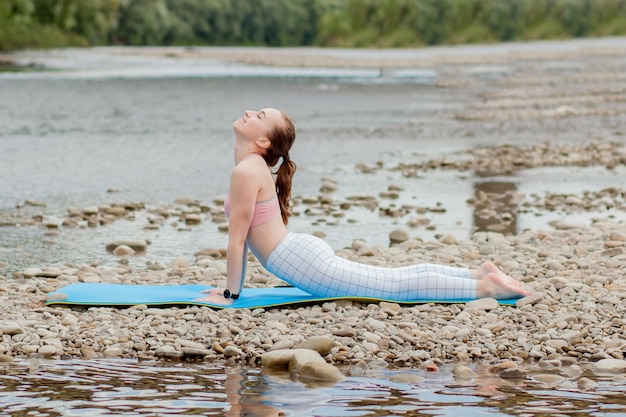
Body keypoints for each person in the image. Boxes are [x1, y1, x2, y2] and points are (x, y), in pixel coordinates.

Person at [196, 108, 530, 305]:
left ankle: (485, 287)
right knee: (391, 277)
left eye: (259, 115)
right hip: (297, 254)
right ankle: (475, 272)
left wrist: (229, 295)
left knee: (394, 287)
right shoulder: (251, 166)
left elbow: (238, 241)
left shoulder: (245, 170)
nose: (250, 112)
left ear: (263, 142)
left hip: (299, 261)